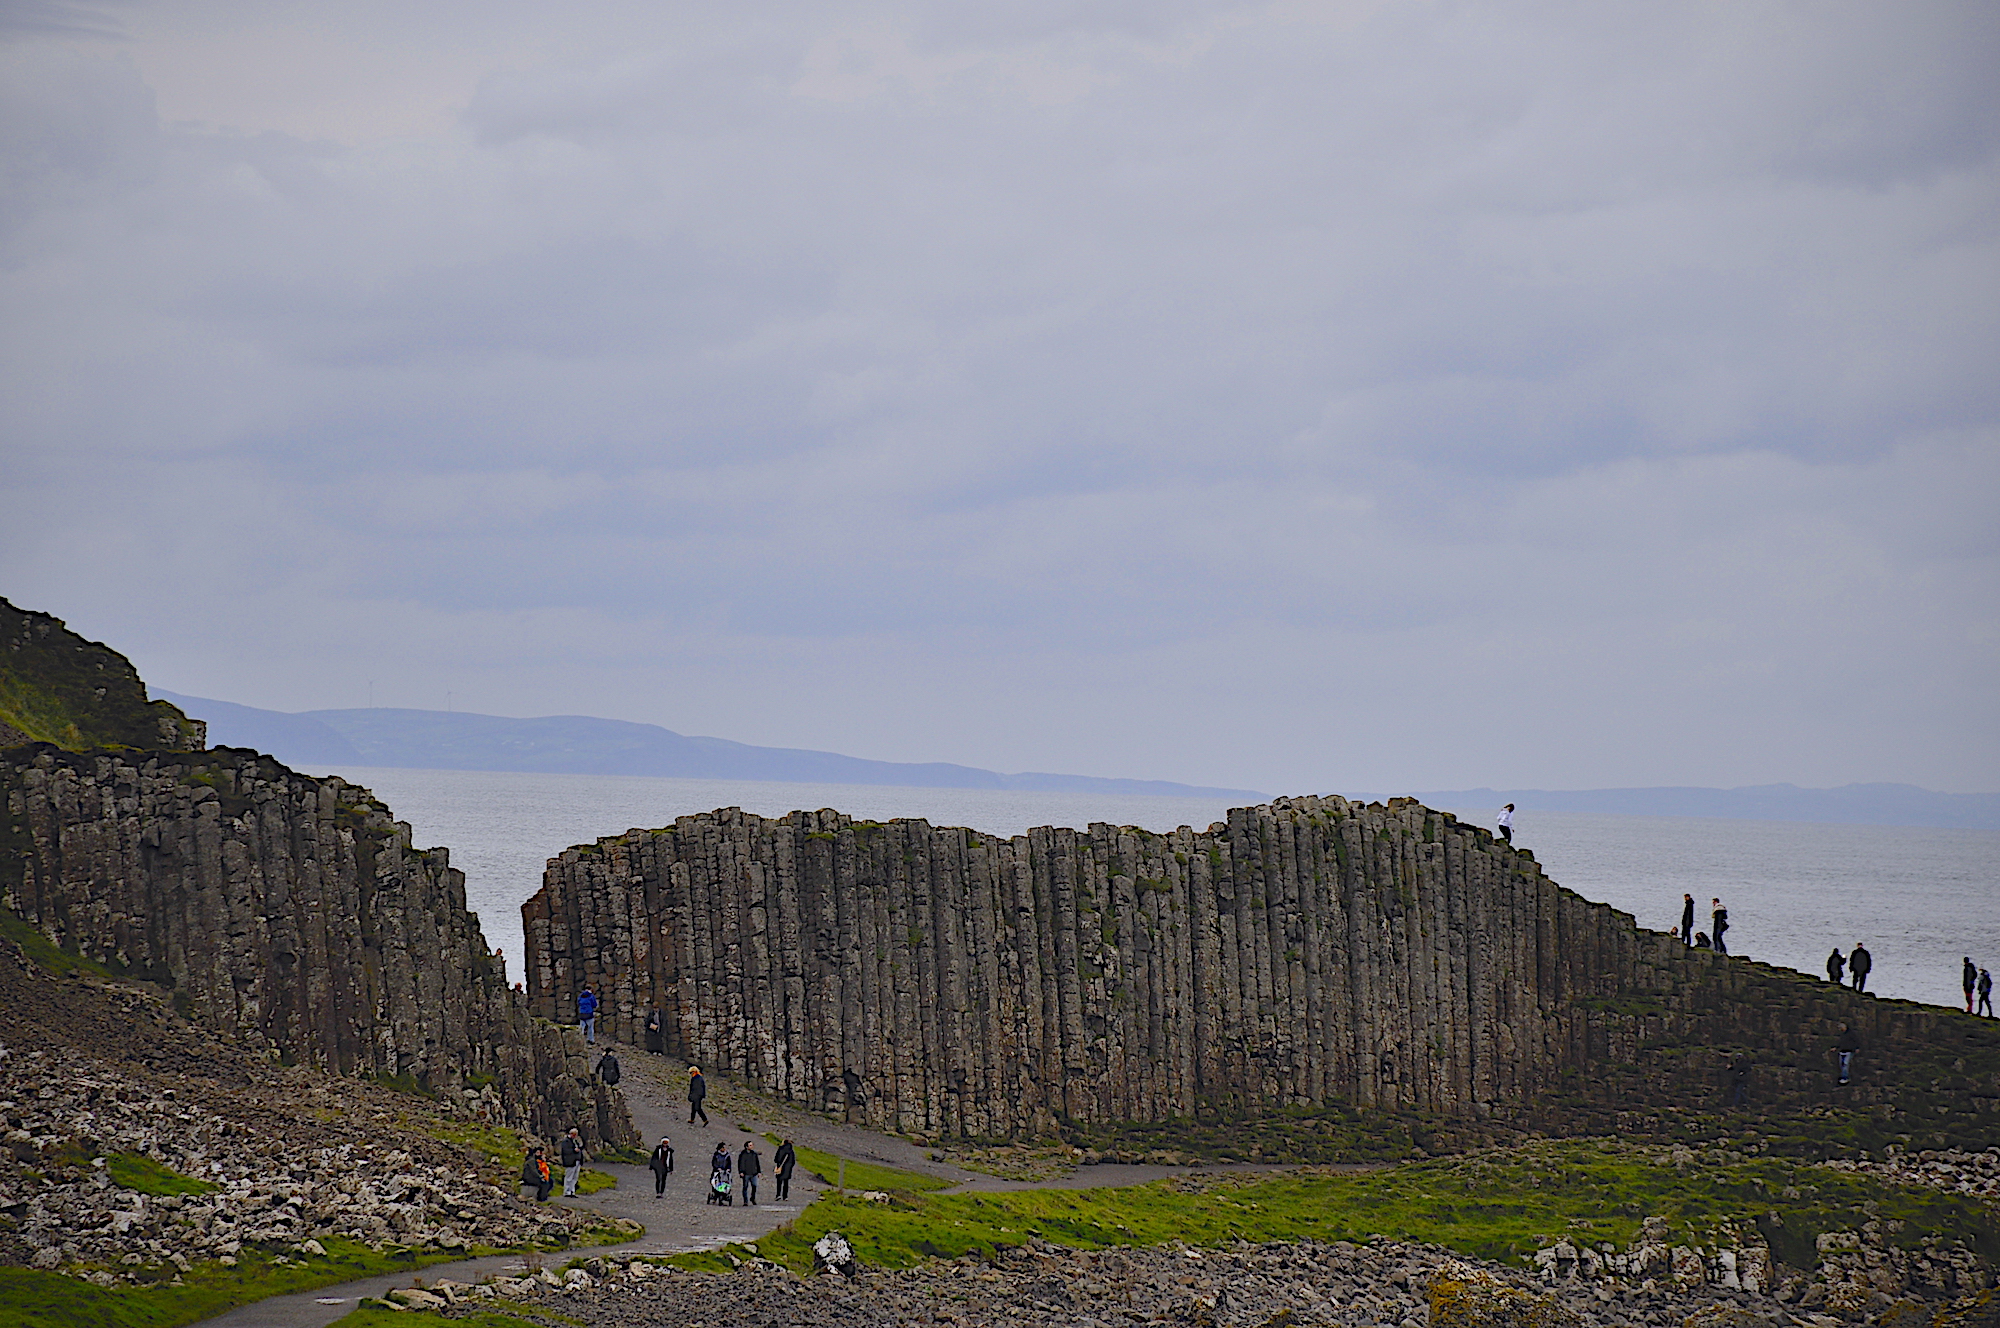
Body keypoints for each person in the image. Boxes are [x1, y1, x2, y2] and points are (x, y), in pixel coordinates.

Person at [560, 1127, 588, 1197]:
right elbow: (565, 1151)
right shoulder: (566, 1141)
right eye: (575, 1134)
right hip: (570, 1161)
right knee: (569, 1177)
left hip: (577, 1161)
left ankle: (572, 1191)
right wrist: (573, 1150)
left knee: (575, 1177)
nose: (576, 1136)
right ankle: (567, 1191)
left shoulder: (575, 1141)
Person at [708, 1141, 733, 1206]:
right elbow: (714, 1163)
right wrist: (717, 1168)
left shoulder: (727, 1155)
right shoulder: (716, 1155)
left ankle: (725, 1194)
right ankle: (715, 1195)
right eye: (723, 1147)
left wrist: (728, 1169)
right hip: (717, 1172)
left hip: (725, 1173)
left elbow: (729, 1163)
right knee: (715, 1182)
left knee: (726, 1182)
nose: (725, 1149)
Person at [738, 1138, 762, 1206]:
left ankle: (752, 1198)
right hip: (746, 1173)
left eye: (752, 1145)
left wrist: (759, 1172)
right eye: (750, 1145)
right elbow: (740, 1163)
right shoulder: (742, 1154)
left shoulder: (754, 1154)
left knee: (754, 1186)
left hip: (754, 1173)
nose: (752, 1146)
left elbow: (757, 1163)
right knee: (745, 1187)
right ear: (746, 1147)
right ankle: (745, 1201)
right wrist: (741, 1171)